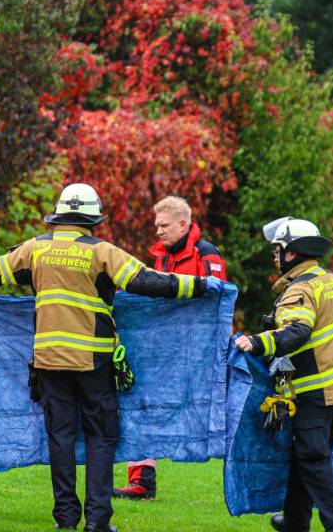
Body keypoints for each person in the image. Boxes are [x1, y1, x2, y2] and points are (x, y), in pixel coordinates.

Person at [0, 183, 224, 532]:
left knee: (61, 439)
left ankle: (65, 520)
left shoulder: (35, 249)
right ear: (92, 220)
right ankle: (97, 522)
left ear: (59, 216)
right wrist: (200, 287)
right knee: (101, 438)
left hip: (48, 362)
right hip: (94, 362)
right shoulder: (102, 252)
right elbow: (147, 282)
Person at [234, 217, 333, 532]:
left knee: (314, 460)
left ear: (293, 252)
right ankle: (295, 521)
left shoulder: (299, 289)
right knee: (305, 455)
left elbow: (297, 332)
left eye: (277, 250)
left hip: (314, 391)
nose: (274, 256)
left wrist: (256, 342)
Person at [114, 196, 227, 501]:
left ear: (183, 223)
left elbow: (220, 302)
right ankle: (142, 481)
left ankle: (247, 474)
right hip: (166, 345)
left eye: (164, 226)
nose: (158, 232)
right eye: (156, 226)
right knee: (143, 402)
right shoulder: (161, 256)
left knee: (216, 411)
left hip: (197, 350)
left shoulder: (207, 254)